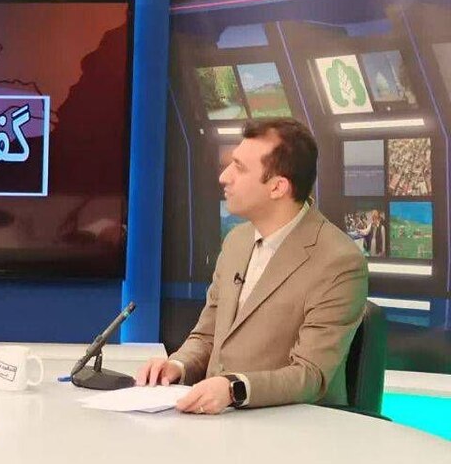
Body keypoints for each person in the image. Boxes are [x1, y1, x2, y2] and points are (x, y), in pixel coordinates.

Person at [137, 117, 368, 413]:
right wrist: (177, 365)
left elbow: (310, 375)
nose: (224, 177)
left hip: (290, 428)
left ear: (277, 187)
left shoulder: (339, 262)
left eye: (239, 167)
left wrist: (234, 388)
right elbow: (208, 335)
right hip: (215, 422)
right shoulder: (236, 241)